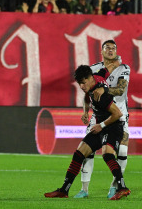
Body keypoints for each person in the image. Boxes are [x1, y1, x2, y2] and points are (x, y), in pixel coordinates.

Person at [44, 64, 131, 200]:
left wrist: (100, 125)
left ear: (90, 79)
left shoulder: (100, 95)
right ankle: (64, 190)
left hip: (113, 126)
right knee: (79, 153)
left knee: (107, 155)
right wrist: (85, 111)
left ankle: (122, 188)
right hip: (101, 126)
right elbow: (105, 71)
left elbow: (118, 114)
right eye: (79, 84)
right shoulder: (97, 77)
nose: (82, 87)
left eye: (83, 83)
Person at [73, 40, 131, 199]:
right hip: (98, 115)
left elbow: (120, 90)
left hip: (119, 113)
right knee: (87, 150)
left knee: (122, 151)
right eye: (107, 48)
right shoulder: (93, 69)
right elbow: (87, 92)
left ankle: (114, 186)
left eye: (114, 48)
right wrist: (85, 111)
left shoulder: (124, 68)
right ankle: (84, 189)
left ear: (117, 51)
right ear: (102, 51)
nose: (111, 51)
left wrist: (103, 88)